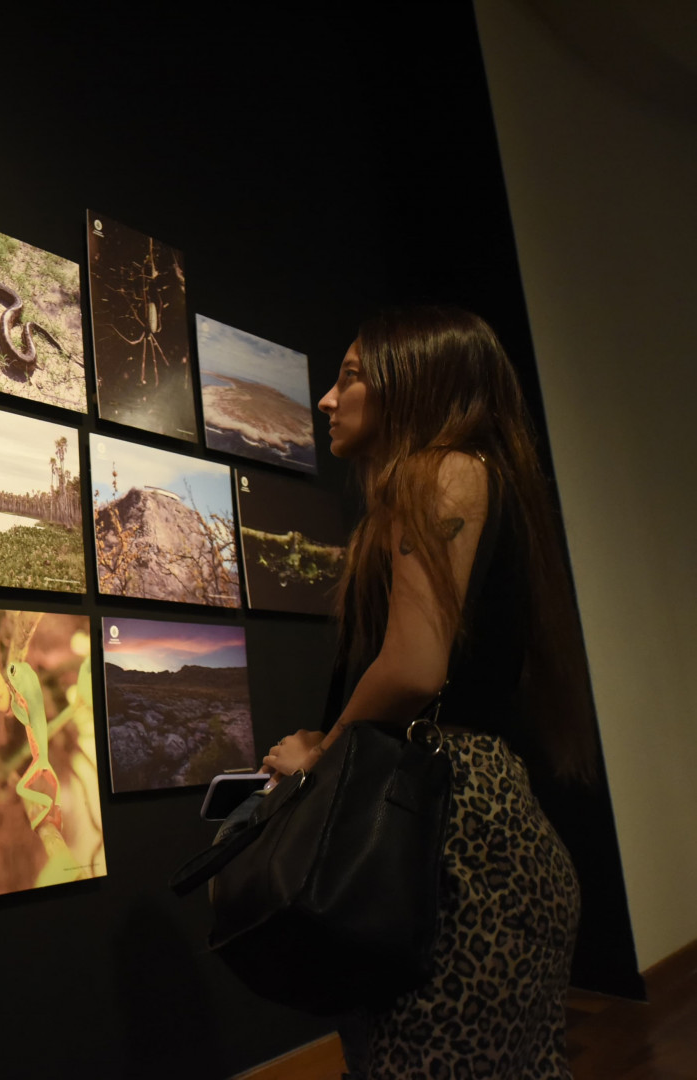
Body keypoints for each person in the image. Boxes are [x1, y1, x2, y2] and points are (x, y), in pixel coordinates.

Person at [259, 307, 598, 1078]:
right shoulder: (468, 480)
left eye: (350, 376)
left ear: (415, 381)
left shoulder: (438, 468)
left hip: (453, 860)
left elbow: (414, 668)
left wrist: (322, 754)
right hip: (485, 851)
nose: (326, 400)